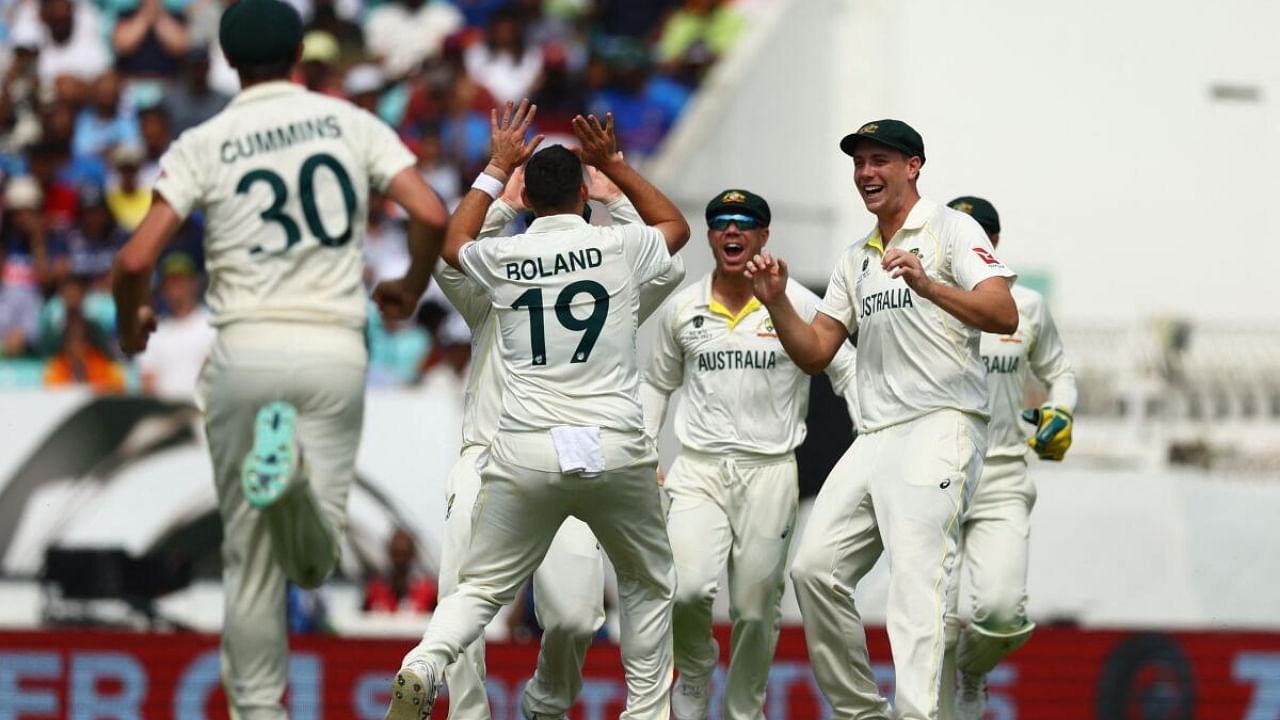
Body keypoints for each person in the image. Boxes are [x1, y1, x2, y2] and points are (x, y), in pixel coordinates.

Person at [110, 0, 449, 716]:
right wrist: (410, 286)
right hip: (332, 346)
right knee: (316, 560)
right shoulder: (350, 122)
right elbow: (430, 213)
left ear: (228, 62)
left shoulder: (209, 138)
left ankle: (259, 713)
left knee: (251, 561)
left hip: (244, 352)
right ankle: (290, 478)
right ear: (301, 53)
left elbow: (136, 256)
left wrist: (131, 321)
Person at [383, 102, 690, 720]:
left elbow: (455, 245)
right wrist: (615, 176)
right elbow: (670, 236)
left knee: (568, 615)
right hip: (506, 454)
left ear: (529, 199)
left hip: (533, 452)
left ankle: (531, 700)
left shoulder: (499, 265)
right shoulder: (610, 252)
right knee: (639, 584)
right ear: (581, 195)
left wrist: (499, 174)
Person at [744, 119, 1019, 720]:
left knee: (915, 581)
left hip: (942, 424)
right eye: (859, 162)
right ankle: (861, 713)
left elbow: (1002, 313)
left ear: (913, 166)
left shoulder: (951, 228)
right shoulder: (856, 258)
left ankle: (917, 714)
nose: (866, 173)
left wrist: (929, 285)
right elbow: (816, 352)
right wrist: (776, 303)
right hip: (875, 435)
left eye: (880, 161)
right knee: (814, 571)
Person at [640, 188, 859, 720]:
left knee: (755, 610)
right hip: (700, 469)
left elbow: (846, 368)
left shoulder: (796, 301)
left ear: (763, 236)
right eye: (721, 224)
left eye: (744, 223)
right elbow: (655, 385)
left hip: (771, 472)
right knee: (687, 590)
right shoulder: (683, 309)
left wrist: (872, 438)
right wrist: (646, 454)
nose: (731, 231)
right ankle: (693, 674)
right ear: (712, 236)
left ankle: (744, 709)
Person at [940, 197, 1076, 720]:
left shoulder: (1027, 307)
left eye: (984, 234)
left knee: (1001, 616)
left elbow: (1060, 373)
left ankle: (973, 672)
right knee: (934, 621)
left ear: (993, 245)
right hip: (941, 473)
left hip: (1001, 474)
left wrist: (1060, 413)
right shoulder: (921, 298)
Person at [136, 252, 216, 400]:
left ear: (194, 284)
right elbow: (148, 381)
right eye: (170, 282)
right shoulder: (153, 332)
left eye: (181, 281)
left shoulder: (212, 325)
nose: (175, 288)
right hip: (165, 415)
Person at [363, 528, 438, 613]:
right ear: (389, 553)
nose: (400, 560)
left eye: (404, 554)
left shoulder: (427, 591)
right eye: (396, 553)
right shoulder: (374, 590)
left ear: (412, 555)